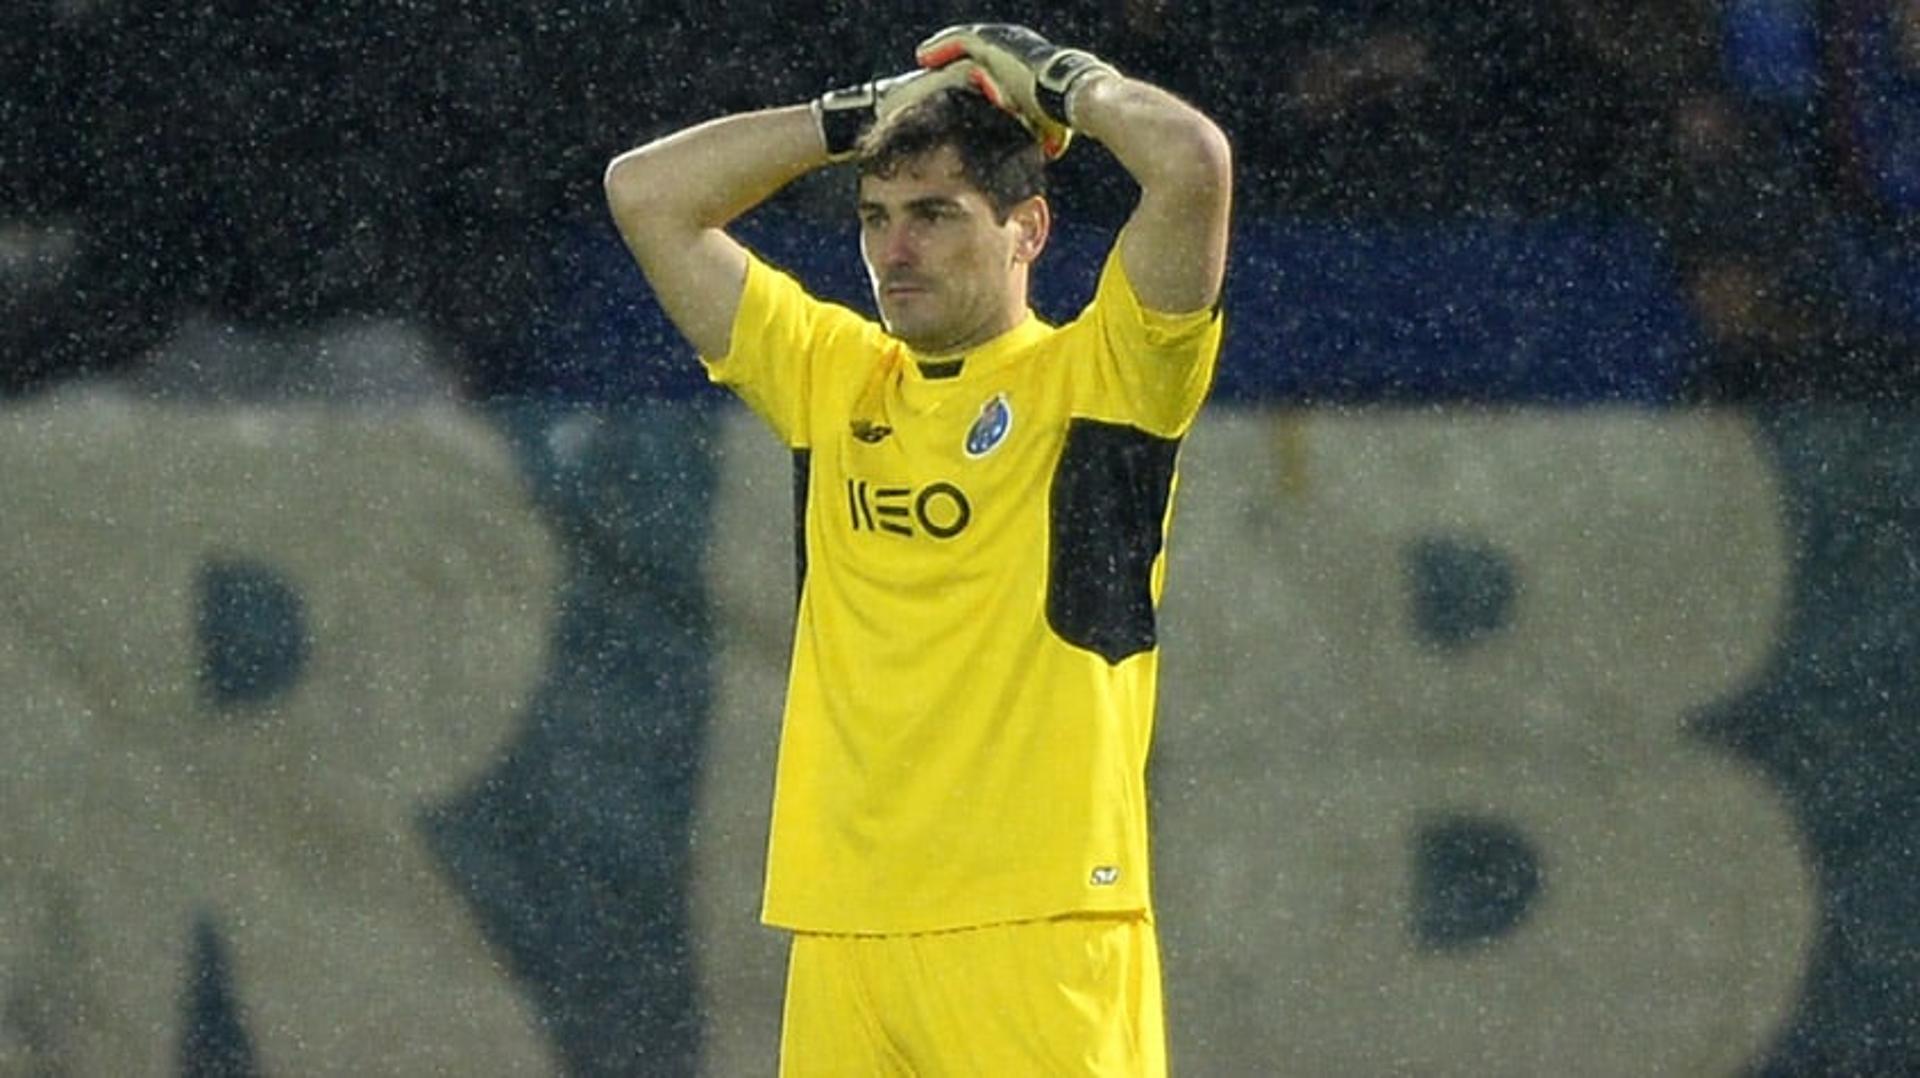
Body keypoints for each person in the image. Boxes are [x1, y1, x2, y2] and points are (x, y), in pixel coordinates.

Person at [605, 22, 1230, 1074]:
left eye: (935, 216)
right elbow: (645, 194)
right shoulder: (835, 379)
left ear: (1027, 229)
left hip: (1037, 925)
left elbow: (1192, 165)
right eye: (877, 217)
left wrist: (1067, 83)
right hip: (845, 925)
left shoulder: (1104, 381)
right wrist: (858, 114)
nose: (895, 252)